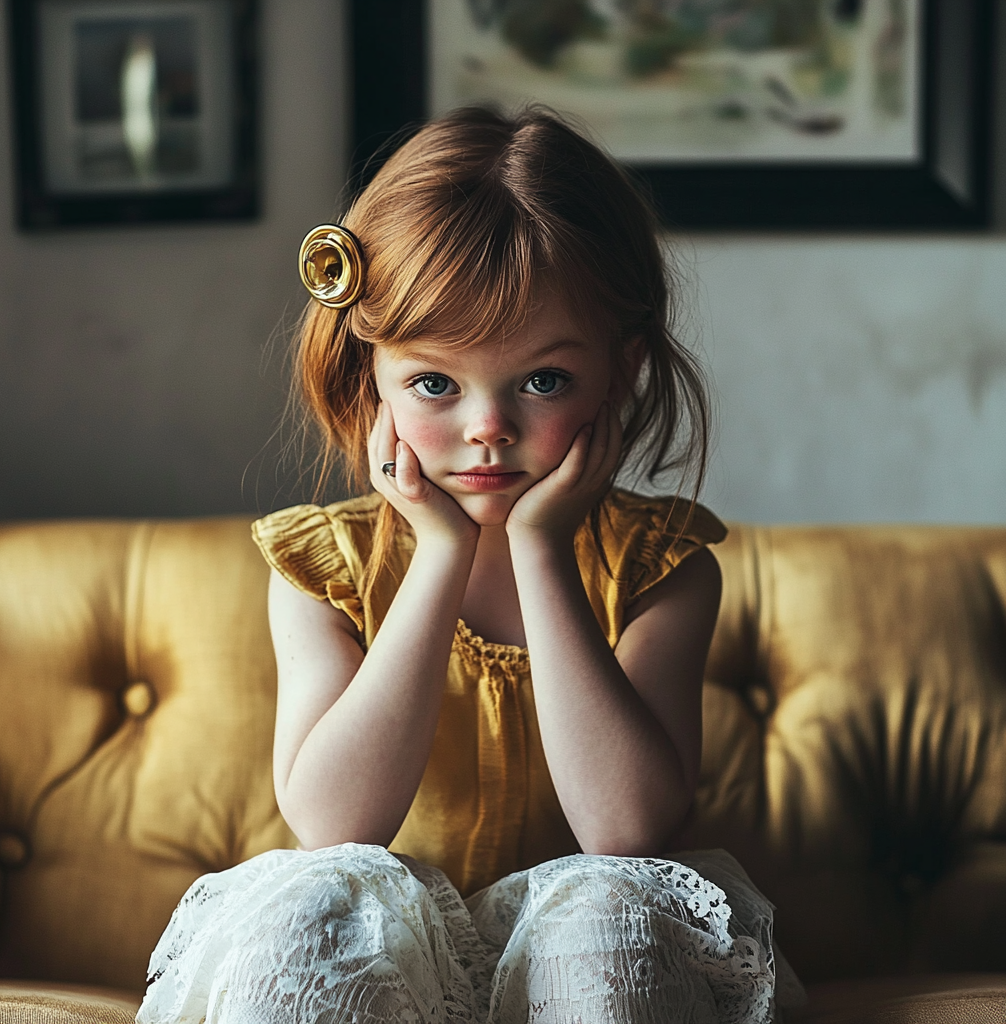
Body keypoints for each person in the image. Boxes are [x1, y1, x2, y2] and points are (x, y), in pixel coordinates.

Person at [137, 106, 797, 1024]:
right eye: (435, 384)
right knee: (313, 911)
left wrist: (539, 547)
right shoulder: (324, 567)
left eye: (544, 381)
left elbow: (626, 830)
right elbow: (333, 826)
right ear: (373, 375)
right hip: (387, 963)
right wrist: (440, 552)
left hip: (583, 950)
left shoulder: (662, 568)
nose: (488, 428)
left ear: (622, 370)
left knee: (609, 914)